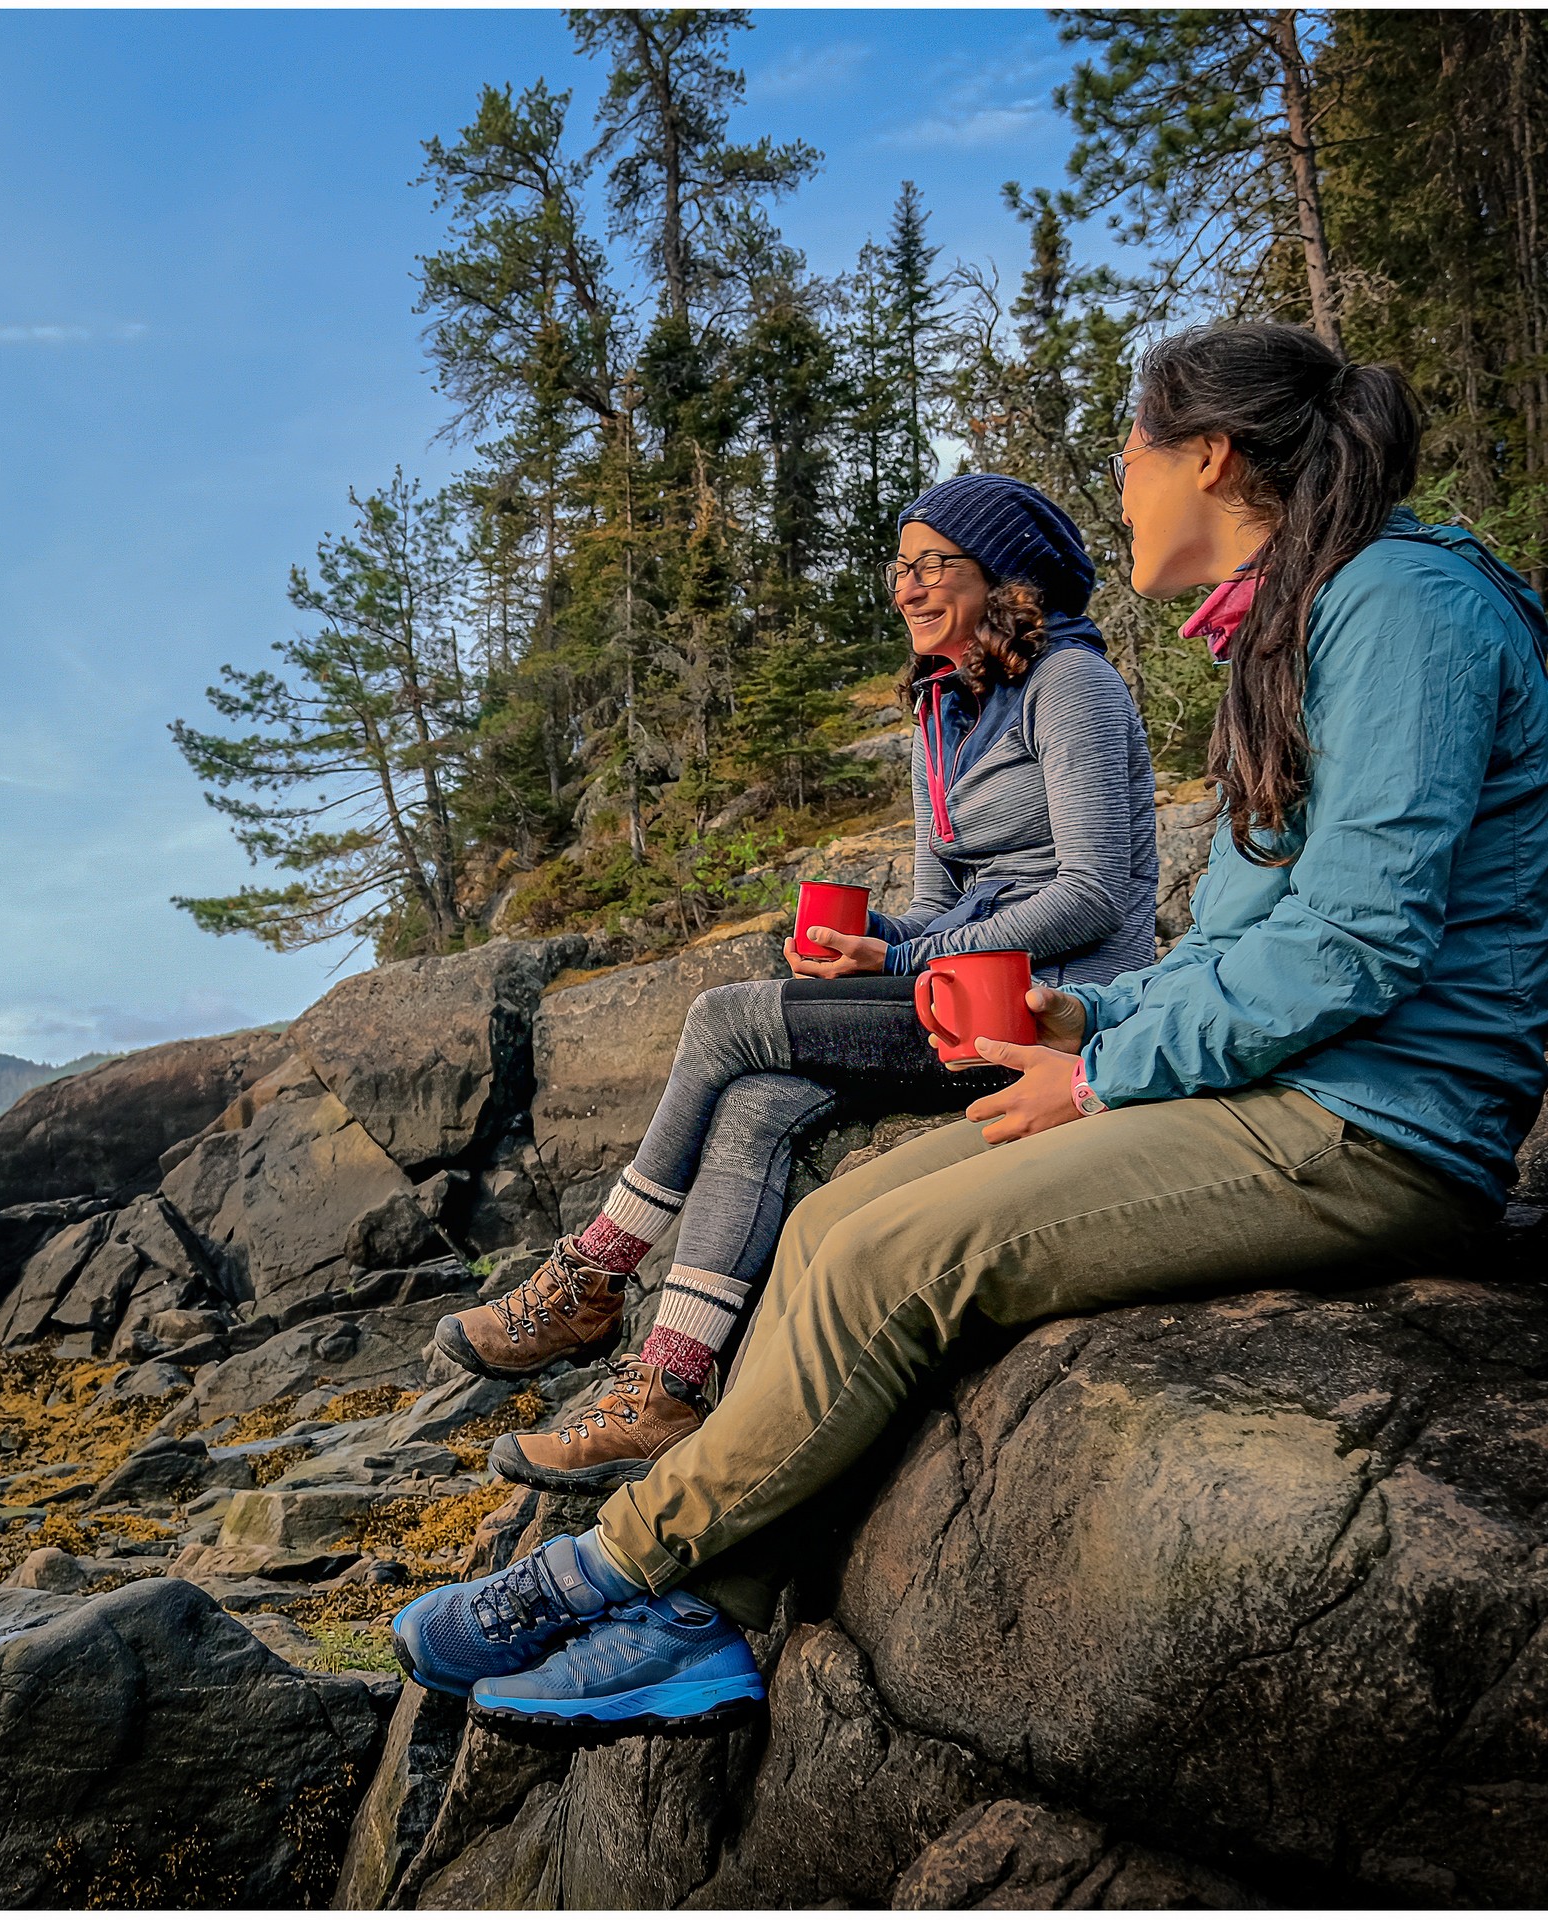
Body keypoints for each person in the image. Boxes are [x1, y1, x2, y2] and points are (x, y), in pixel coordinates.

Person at [397, 320, 1548, 1732]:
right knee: (829, 1227)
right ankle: (712, 1622)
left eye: (1130, 453)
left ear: (1210, 455)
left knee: (896, 1251)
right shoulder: (1301, 622)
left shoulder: (1404, 605)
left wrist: (1109, 1071)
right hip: (1282, 1082)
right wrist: (1092, 1012)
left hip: (1376, 1124)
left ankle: (604, 1572)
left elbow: (1361, 939)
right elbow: (1243, 945)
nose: (1119, 487)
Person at [435, 472, 1157, 1493]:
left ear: (1003, 578)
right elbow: (930, 901)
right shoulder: (940, 712)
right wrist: (869, 943)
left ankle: (590, 1274)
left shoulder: (1070, 686)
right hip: (951, 993)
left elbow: (1088, 893)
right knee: (759, 1101)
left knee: (722, 1020)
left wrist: (907, 958)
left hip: (1049, 1009)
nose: (905, 588)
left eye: (929, 565)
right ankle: (668, 1389)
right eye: (897, 568)